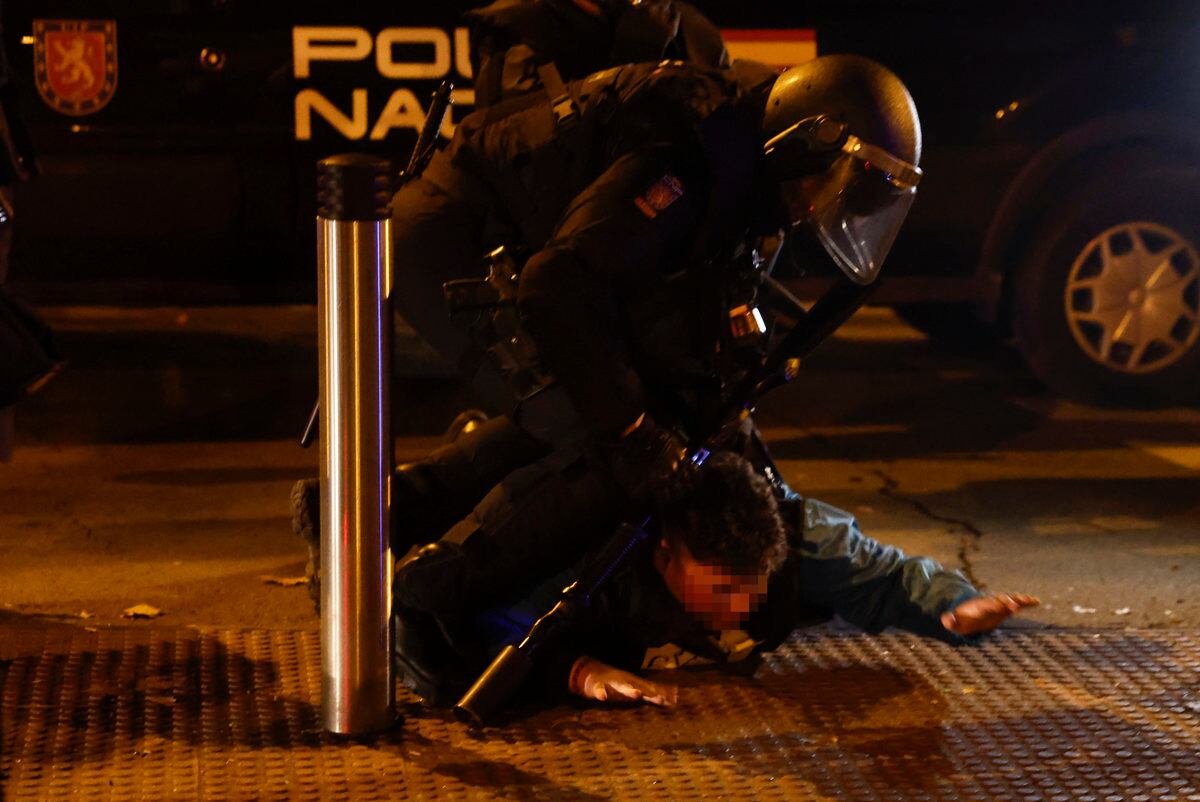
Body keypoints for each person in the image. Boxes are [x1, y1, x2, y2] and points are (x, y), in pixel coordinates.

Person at [387, 448, 1038, 707]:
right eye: (720, 588)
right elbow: (475, 622)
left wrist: (956, 607)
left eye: (750, 585)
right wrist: (577, 669)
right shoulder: (594, 556)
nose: (741, 605)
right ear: (666, 552)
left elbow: (887, 574)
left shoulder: (796, 537)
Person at [390, 0, 729, 416]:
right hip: (490, 245)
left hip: (543, 242)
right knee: (563, 420)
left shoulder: (678, 34)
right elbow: (539, 189)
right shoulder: (536, 38)